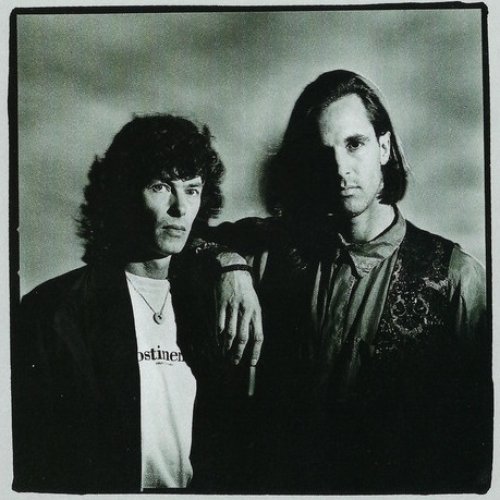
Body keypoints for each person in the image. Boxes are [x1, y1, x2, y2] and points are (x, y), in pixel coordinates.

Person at [207, 70, 492, 494]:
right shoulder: (275, 251)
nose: (340, 168)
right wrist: (229, 267)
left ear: (384, 147)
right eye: (323, 153)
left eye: (354, 144)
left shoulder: (455, 276)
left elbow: (479, 445)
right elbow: (184, 240)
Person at [11, 114, 262, 493]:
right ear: (124, 192)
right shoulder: (53, 311)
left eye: (192, 190)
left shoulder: (211, 303)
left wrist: (233, 263)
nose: (180, 207)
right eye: (160, 187)